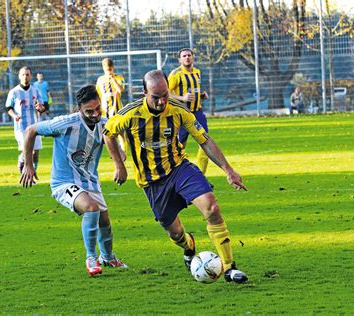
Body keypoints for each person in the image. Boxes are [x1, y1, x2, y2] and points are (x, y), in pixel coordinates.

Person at [103, 70, 248, 284]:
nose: (162, 101)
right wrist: (119, 164)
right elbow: (108, 133)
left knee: (212, 207)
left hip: (180, 169)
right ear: (144, 92)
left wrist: (228, 170)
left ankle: (229, 267)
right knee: (175, 233)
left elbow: (205, 140)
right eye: (156, 97)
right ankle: (188, 247)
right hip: (152, 182)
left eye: (165, 95)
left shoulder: (178, 109)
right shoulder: (130, 113)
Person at [20, 85, 128, 277]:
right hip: (63, 182)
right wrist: (28, 165)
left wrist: (120, 153)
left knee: (104, 220)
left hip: (90, 182)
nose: (95, 114)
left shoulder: (104, 123)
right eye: (89, 111)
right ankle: (91, 258)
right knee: (91, 208)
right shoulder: (64, 124)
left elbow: (118, 132)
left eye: (97, 109)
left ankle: (109, 257)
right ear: (79, 108)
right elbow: (30, 130)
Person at [168, 48, 210, 177]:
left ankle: (201, 177)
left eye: (189, 55)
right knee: (179, 147)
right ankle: (174, 176)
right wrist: (182, 99)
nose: (187, 57)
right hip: (181, 115)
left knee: (205, 143)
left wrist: (201, 95)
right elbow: (166, 94)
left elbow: (192, 89)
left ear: (193, 57)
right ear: (180, 59)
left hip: (198, 113)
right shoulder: (175, 74)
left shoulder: (197, 72)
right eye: (184, 56)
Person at [5, 66, 45, 174]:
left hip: (35, 126)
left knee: (35, 152)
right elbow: (8, 108)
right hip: (21, 127)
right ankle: (26, 172)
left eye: (27, 74)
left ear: (30, 76)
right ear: (19, 76)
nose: (25, 77)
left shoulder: (36, 91)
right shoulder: (14, 92)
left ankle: (30, 169)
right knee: (27, 150)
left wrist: (40, 108)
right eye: (23, 74)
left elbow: (42, 107)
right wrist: (14, 116)